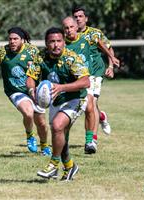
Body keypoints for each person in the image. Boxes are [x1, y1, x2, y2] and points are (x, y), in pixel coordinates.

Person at [26, 27, 90, 181]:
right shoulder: (40, 57)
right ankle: (70, 167)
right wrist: (31, 90)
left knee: (57, 126)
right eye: (52, 42)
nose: (56, 45)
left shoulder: (72, 58)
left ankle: (53, 165)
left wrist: (61, 88)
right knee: (60, 135)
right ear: (46, 43)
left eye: (59, 41)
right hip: (55, 100)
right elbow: (31, 77)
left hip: (75, 99)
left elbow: (85, 81)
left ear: (64, 42)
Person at [0, 27, 51, 156]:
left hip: (34, 90)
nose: (12, 42)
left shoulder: (32, 51)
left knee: (42, 123)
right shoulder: (2, 52)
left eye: (15, 39)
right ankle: (30, 136)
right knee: (28, 113)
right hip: (14, 91)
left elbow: (43, 67)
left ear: (23, 40)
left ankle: (44, 146)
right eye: (10, 39)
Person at [72, 6, 120, 153]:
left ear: (86, 19)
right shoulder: (69, 35)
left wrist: (111, 66)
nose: (78, 19)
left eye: (80, 16)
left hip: (95, 73)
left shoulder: (94, 33)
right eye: (75, 16)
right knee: (89, 106)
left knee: (91, 104)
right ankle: (101, 116)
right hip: (80, 74)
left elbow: (108, 48)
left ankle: (92, 141)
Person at [62, 16, 96, 154]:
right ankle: (65, 142)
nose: (69, 30)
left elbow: (102, 44)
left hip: (86, 78)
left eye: (71, 27)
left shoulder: (87, 38)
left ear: (76, 27)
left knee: (89, 105)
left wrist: (111, 60)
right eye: (66, 28)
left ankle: (90, 141)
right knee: (67, 117)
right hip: (69, 82)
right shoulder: (62, 44)